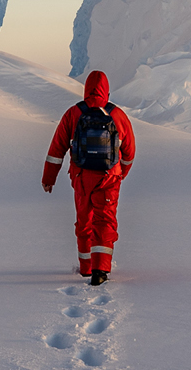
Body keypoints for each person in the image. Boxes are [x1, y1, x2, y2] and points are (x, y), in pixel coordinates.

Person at [42, 70, 135, 286]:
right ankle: (100, 270)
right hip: (109, 178)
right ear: (107, 91)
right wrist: (121, 173)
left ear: (86, 89)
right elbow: (129, 152)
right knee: (105, 221)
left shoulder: (73, 114)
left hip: (82, 178)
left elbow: (57, 149)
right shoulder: (118, 115)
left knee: (84, 221)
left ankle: (85, 267)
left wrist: (49, 178)